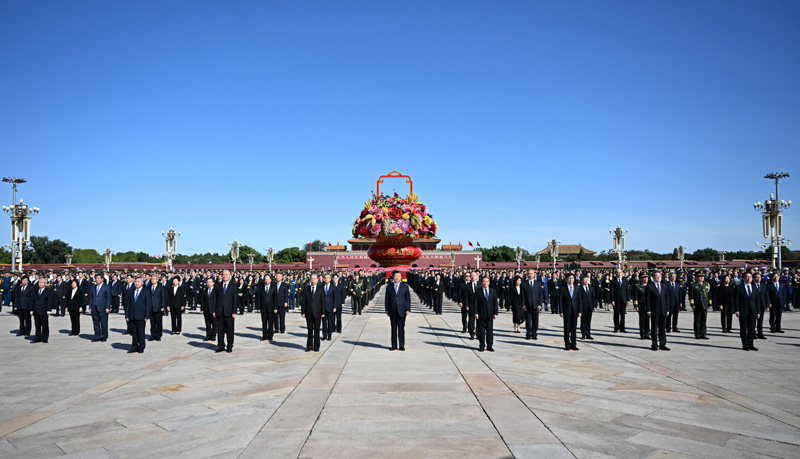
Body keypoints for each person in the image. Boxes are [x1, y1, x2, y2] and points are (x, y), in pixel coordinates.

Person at [734, 272, 762, 351]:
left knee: (752, 329)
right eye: (746, 277)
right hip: (743, 311)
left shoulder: (754, 287)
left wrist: (758, 311)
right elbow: (736, 300)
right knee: (743, 328)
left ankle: (751, 344)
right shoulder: (739, 288)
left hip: (752, 311)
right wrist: (737, 310)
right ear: (743, 278)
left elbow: (757, 301)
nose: (748, 278)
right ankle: (745, 345)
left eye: (750, 277)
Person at [385, 271, 411, 351]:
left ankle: (402, 345)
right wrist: (386, 309)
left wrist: (408, 309)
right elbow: (387, 299)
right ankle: (393, 345)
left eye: (398, 276)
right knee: (393, 328)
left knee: (401, 329)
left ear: (401, 277)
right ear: (393, 277)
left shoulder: (405, 287)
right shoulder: (389, 287)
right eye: (395, 276)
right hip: (392, 310)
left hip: (402, 310)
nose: (397, 278)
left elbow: (408, 299)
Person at [645, 271, 670, 351]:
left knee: (662, 328)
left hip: (663, 310)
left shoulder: (664, 286)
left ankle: (662, 344)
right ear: (653, 277)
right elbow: (647, 299)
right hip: (654, 310)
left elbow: (667, 299)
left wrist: (667, 309)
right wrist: (648, 310)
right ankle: (654, 344)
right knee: (654, 328)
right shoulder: (649, 286)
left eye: (660, 276)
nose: (659, 277)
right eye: (657, 276)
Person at [215, 270, 238, 353]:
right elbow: (215, 299)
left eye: (226, 275)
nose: (224, 276)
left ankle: (229, 346)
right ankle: (221, 345)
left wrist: (234, 311)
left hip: (229, 311)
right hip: (219, 311)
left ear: (230, 276)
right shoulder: (217, 285)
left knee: (230, 330)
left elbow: (235, 299)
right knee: (220, 329)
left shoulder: (233, 285)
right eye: (223, 274)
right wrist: (214, 310)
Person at [126, 277, 151, 353]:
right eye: (136, 282)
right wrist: (127, 315)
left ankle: (141, 347)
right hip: (132, 315)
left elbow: (148, 304)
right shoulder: (131, 291)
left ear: (142, 283)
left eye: (138, 282)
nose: (137, 283)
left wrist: (147, 315)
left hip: (141, 315)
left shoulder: (146, 292)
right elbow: (128, 304)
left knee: (140, 333)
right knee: (134, 333)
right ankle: (134, 346)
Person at [558, 273, 582, 350]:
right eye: (569, 278)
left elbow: (579, 300)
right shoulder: (563, 288)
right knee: (567, 328)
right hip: (566, 311)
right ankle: (567, 344)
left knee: (574, 329)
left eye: (572, 278)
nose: (571, 280)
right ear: (566, 280)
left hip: (575, 310)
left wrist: (580, 311)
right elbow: (560, 301)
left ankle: (573, 344)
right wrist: (561, 311)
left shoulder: (577, 288)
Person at [301, 273, 325, 352]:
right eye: (312, 278)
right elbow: (303, 301)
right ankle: (309, 346)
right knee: (310, 330)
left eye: (314, 278)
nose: (313, 280)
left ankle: (316, 346)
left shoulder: (321, 289)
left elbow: (323, 302)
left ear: (317, 280)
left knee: (317, 331)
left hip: (317, 312)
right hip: (308, 313)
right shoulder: (306, 289)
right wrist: (303, 312)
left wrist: (323, 312)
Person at [473, 275, 498, 352]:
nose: (485, 283)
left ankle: (489, 345)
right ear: (481, 282)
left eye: (487, 281)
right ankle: (482, 345)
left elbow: (495, 303)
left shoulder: (493, 291)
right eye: (484, 281)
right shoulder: (478, 291)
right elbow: (475, 303)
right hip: (481, 313)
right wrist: (476, 313)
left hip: (490, 314)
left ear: (489, 282)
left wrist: (495, 313)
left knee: (490, 331)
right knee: (481, 331)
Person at [521, 269, 544, 340]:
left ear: (534, 275)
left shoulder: (538, 283)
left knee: (535, 320)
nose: (530, 275)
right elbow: (522, 295)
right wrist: (523, 304)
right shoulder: (524, 283)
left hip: (536, 305)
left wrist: (540, 304)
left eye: (532, 274)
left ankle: (534, 333)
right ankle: (528, 333)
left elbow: (540, 295)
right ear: (527, 275)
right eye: (529, 274)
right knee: (528, 320)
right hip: (527, 305)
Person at [31, 278, 55, 344]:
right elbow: (32, 301)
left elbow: (50, 301)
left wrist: (49, 310)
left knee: (44, 325)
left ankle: (45, 338)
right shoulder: (35, 291)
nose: (40, 284)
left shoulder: (48, 291)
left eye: (42, 282)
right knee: (37, 325)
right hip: (36, 310)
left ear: (45, 284)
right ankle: (37, 337)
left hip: (44, 310)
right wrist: (31, 310)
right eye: (39, 282)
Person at [89, 273, 111, 342]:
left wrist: (107, 307)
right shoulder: (93, 287)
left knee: (104, 323)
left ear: (102, 279)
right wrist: (90, 307)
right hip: (94, 307)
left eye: (98, 278)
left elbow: (108, 298)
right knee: (96, 323)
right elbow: (91, 298)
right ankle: (97, 336)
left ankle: (104, 336)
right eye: (96, 278)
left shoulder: (106, 287)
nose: (97, 280)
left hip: (103, 308)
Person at [689, 272, 711, 340]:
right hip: (697, 304)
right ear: (696, 277)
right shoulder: (693, 285)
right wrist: (692, 304)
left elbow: (709, 294)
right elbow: (691, 296)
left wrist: (709, 303)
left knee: (703, 320)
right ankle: (697, 334)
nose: (702, 278)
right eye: (700, 276)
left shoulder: (706, 284)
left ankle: (703, 333)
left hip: (704, 304)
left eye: (702, 276)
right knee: (697, 320)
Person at [257, 274, 277, 341]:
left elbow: (275, 299)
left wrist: (275, 308)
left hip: (271, 308)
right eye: (265, 280)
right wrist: (258, 307)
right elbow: (259, 298)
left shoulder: (273, 288)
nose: (267, 281)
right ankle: (264, 335)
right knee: (264, 322)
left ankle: (270, 336)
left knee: (270, 323)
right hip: (263, 308)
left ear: (270, 280)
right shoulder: (261, 288)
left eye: (268, 279)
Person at [148, 276, 167, 341]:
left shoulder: (161, 287)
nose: (153, 280)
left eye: (154, 279)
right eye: (152, 279)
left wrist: (163, 307)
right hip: (151, 308)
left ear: (157, 280)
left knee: (159, 323)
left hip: (158, 307)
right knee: (152, 323)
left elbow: (163, 297)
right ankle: (153, 335)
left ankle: (158, 335)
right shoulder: (148, 287)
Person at [611, 268, 629, 333]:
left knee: (623, 314)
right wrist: (612, 300)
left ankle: (622, 328)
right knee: (616, 314)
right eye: (618, 272)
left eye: (620, 272)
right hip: (616, 300)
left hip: (623, 299)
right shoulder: (613, 281)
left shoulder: (624, 280)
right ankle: (616, 327)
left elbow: (627, 290)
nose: (619, 274)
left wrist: (628, 299)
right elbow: (612, 291)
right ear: (615, 273)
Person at [633, 273, 651, 340]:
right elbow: (635, 296)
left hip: (648, 306)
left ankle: (647, 334)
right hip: (641, 305)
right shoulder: (638, 286)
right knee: (642, 320)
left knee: (648, 320)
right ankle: (642, 334)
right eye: (644, 278)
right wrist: (636, 305)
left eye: (646, 277)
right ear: (641, 279)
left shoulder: (650, 286)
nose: (646, 279)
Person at [578, 275, 595, 340]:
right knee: (583, 321)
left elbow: (593, 297)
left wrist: (594, 305)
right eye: (585, 280)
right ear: (582, 281)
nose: (586, 281)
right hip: (583, 307)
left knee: (588, 321)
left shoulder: (591, 288)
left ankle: (588, 334)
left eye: (587, 280)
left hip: (590, 307)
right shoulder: (579, 289)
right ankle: (583, 334)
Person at [322, 273, 337, 341]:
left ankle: (329, 335)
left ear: (330, 279)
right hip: (322, 308)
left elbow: (335, 298)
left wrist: (335, 307)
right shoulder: (321, 286)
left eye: (328, 277)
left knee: (330, 322)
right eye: (325, 277)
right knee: (324, 322)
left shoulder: (333, 287)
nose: (326, 279)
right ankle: (324, 335)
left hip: (330, 307)